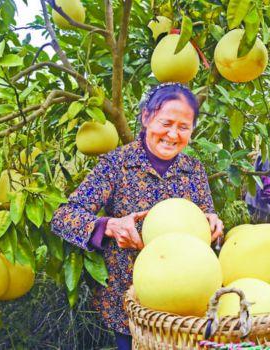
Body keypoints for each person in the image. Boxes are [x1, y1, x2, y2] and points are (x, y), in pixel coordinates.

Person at [51, 83, 224, 349]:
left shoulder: (193, 170)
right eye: (165, 123)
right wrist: (110, 226)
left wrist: (212, 222)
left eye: (183, 127)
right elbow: (64, 217)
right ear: (146, 117)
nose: (173, 134)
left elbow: (203, 218)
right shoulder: (117, 164)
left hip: (187, 306)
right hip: (132, 304)